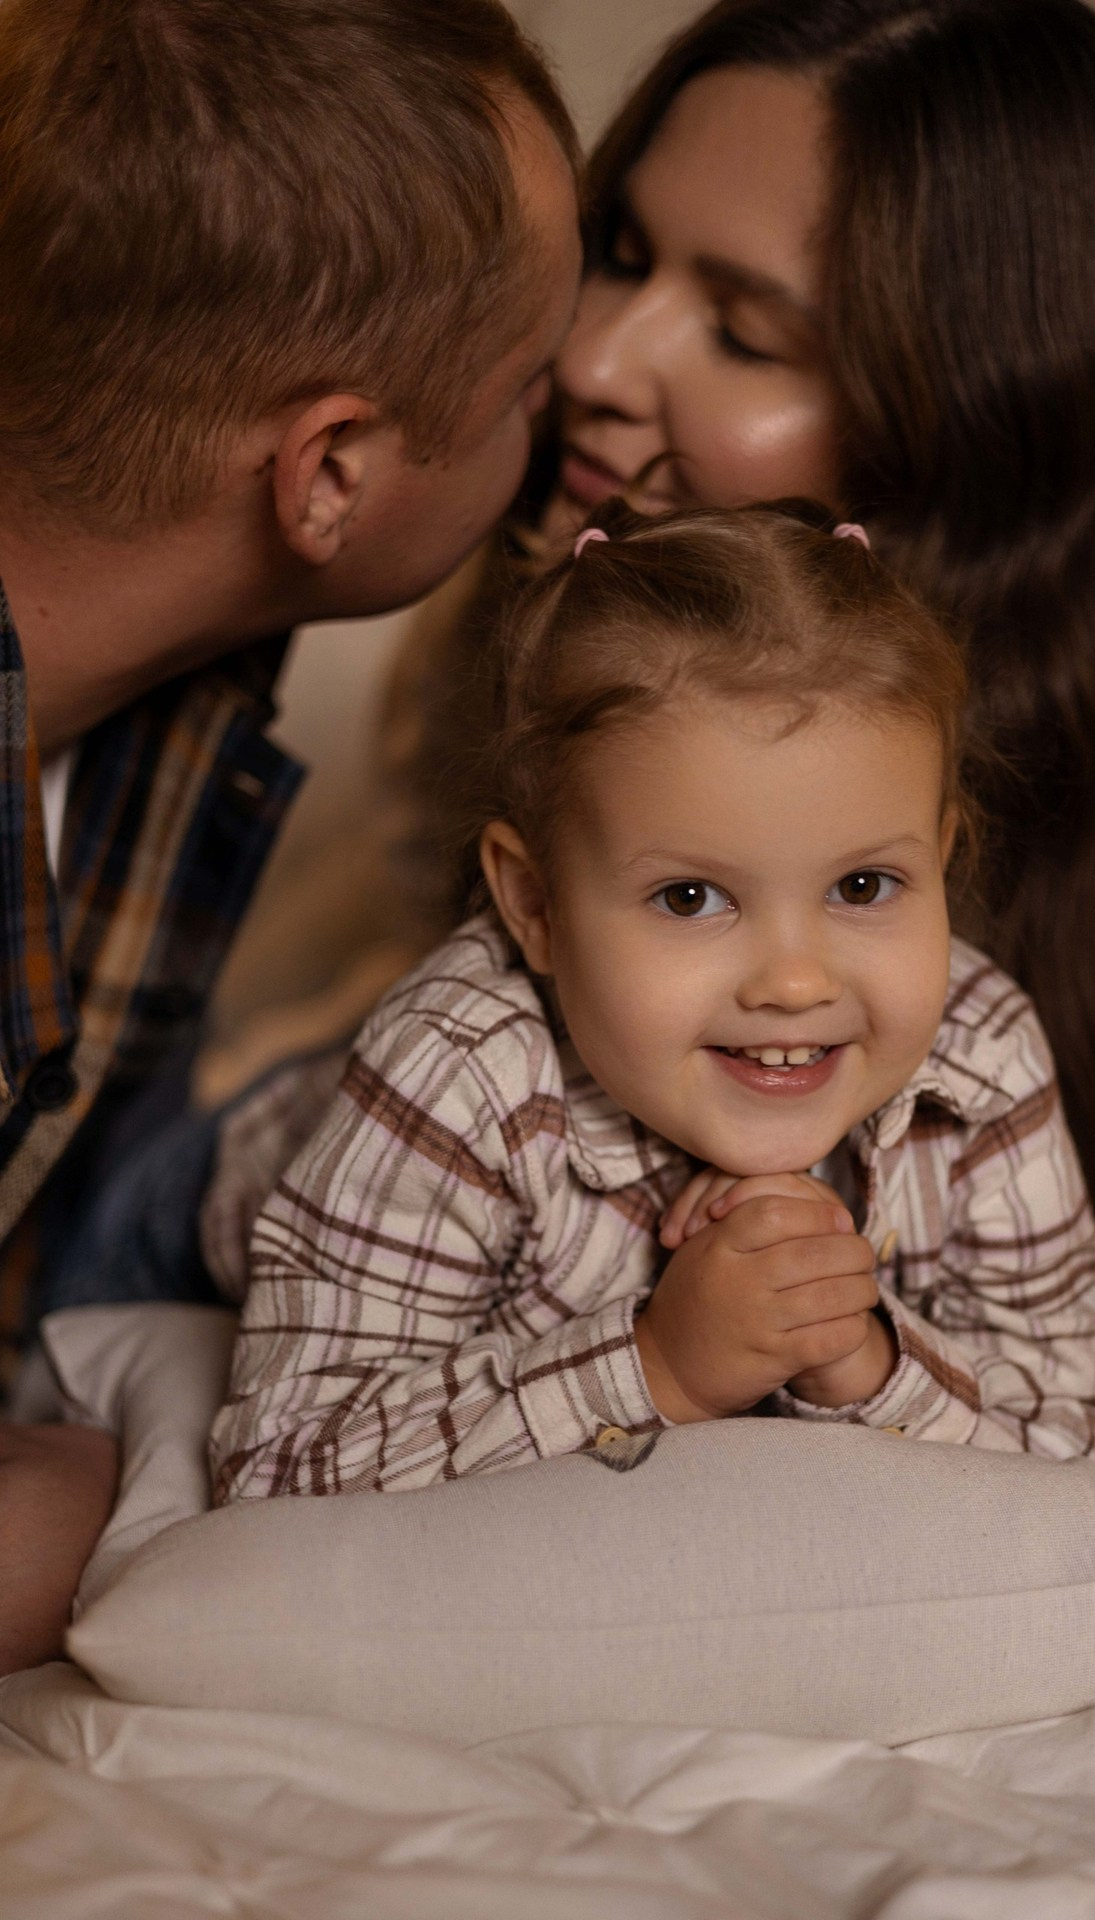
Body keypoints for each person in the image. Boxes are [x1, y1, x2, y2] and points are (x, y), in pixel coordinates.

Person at [368, 0, 1095, 1455]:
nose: (596, 358)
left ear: (961, 426)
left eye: (742, 332)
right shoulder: (559, 616)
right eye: (618, 254)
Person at [0, 0, 582, 1675]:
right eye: (525, 381)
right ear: (329, 470)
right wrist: (143, 1506)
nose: (574, 407)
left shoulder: (162, 688)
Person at [210, 503, 1095, 1502]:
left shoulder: (982, 1057)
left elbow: (1087, 1458)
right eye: (689, 898)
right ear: (535, 904)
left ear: (940, 862)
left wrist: (860, 1356)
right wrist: (661, 1365)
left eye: (861, 888)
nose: (794, 982)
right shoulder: (461, 1065)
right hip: (226, 1170)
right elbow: (275, 1471)